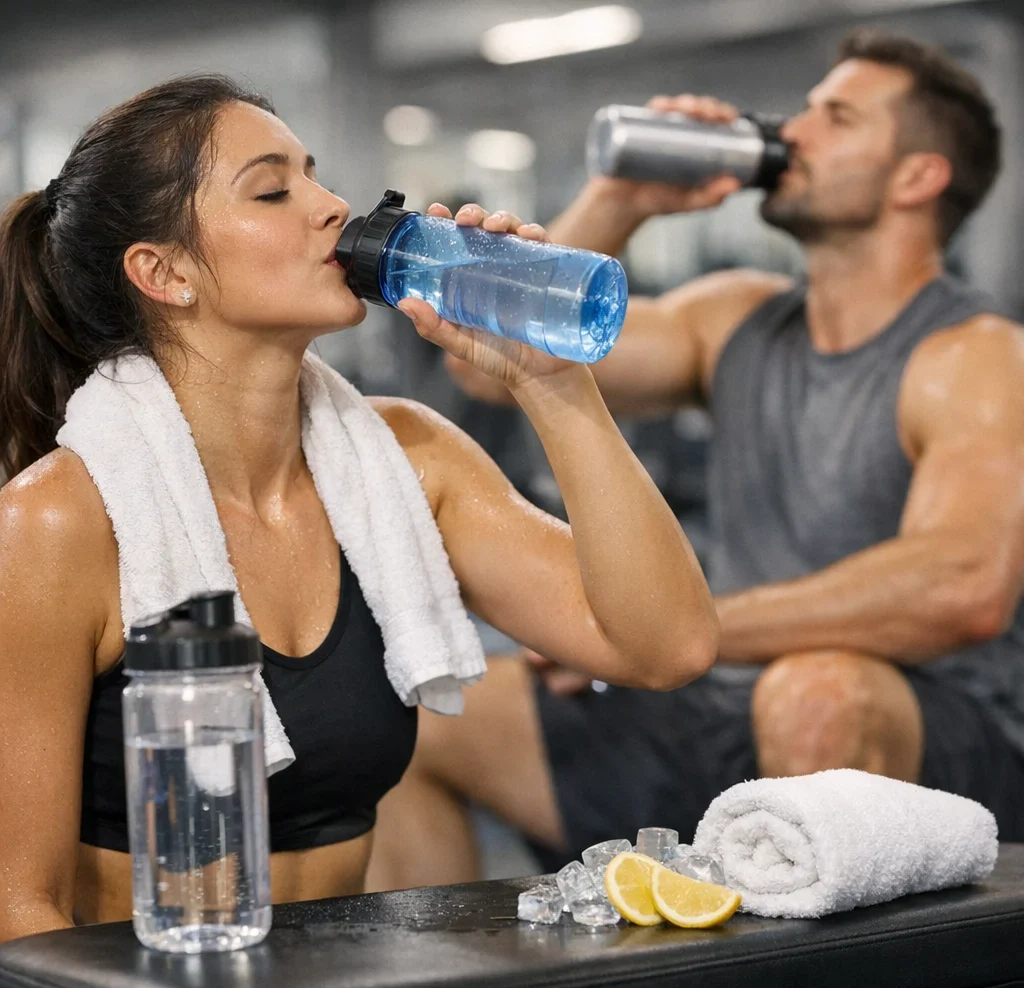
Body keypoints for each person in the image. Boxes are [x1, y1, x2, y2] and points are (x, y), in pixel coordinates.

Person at [0, 75, 719, 942]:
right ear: (165, 272)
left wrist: (553, 382)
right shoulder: (58, 523)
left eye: (315, 176)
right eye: (273, 190)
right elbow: (17, 910)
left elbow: (665, 645)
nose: (333, 206)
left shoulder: (405, 459)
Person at [366, 27, 1024, 891]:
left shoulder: (978, 355)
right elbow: (490, 360)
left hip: (932, 731)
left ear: (917, 176)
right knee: (419, 723)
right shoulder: (734, 319)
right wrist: (621, 196)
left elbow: (964, 588)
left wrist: (685, 634)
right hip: (724, 707)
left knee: (815, 691)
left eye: (838, 117)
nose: (797, 131)